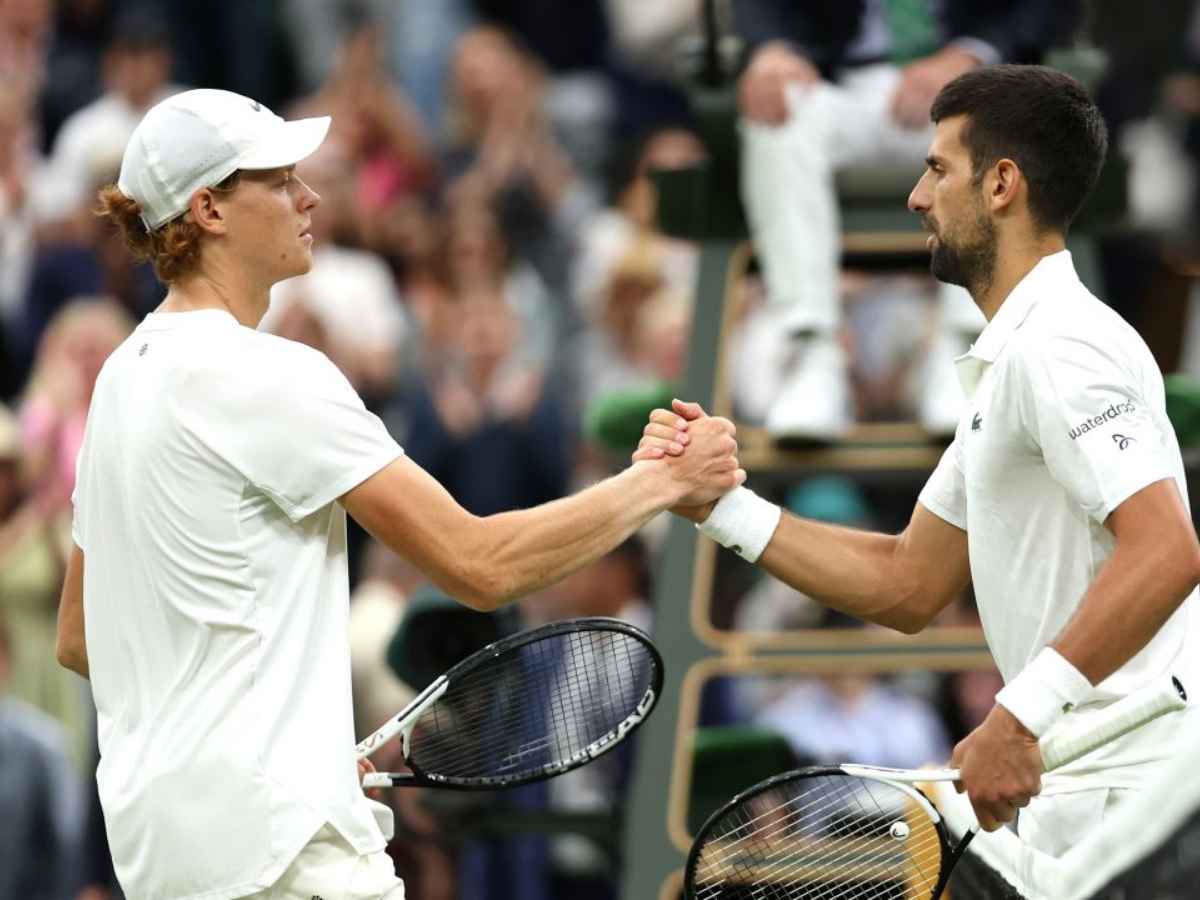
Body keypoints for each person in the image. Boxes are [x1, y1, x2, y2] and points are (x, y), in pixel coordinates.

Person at [57, 88, 744, 900]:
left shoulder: (122, 381)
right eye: (278, 182)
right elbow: (478, 563)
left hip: (167, 856)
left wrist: (288, 734)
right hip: (284, 856)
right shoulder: (270, 374)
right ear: (208, 209)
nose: (308, 197)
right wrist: (662, 481)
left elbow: (82, 636)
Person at [636, 65, 1200, 857]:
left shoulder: (1062, 347)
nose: (916, 196)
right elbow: (906, 582)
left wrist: (1017, 717)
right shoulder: (1020, 358)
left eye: (937, 168)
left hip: (1133, 799)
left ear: (1002, 185)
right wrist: (719, 505)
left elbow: (1168, 549)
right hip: (1094, 796)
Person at [733, 0, 1083, 439]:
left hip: (970, 85)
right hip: (834, 82)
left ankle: (965, 354)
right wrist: (770, 47)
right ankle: (813, 355)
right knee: (775, 116)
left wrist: (971, 55)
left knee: (993, 118)